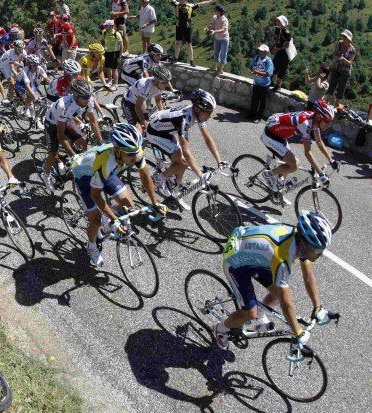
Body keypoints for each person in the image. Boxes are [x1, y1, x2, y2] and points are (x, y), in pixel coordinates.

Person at [214, 211, 335, 351]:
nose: (320, 254)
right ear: (303, 244)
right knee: (250, 313)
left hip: (254, 254)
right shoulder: (283, 258)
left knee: (279, 293)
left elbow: (308, 277)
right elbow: (286, 304)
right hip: (235, 261)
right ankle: (220, 329)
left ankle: (260, 314)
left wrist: (317, 306)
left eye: (321, 250)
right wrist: (297, 331)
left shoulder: (298, 238)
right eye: (317, 250)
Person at [71, 123, 166, 267]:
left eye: (136, 152)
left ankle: (107, 221)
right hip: (85, 176)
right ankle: (91, 247)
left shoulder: (134, 152)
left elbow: (145, 177)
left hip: (107, 173)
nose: (135, 157)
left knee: (128, 205)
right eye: (130, 154)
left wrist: (155, 202)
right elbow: (96, 195)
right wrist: (114, 219)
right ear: (117, 150)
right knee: (96, 221)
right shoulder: (106, 162)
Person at [145, 89, 225, 204]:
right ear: (197, 109)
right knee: (183, 162)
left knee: (181, 162)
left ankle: (176, 191)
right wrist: (200, 175)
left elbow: (208, 139)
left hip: (166, 129)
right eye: (208, 112)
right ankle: (159, 178)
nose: (210, 115)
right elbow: (186, 151)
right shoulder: (183, 120)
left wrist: (219, 161)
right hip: (155, 132)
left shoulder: (197, 115)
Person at [260, 100, 339, 193]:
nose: (328, 125)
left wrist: (331, 160)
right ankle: (268, 174)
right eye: (327, 121)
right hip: (271, 135)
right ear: (319, 117)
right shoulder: (305, 124)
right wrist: (321, 174)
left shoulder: (314, 119)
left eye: (330, 122)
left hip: (278, 132)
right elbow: (307, 152)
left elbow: (319, 141)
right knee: (295, 165)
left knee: (289, 165)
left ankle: (277, 190)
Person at [42, 79, 105, 191]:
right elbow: (60, 134)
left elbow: (93, 121)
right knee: (53, 153)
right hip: (52, 123)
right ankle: (46, 175)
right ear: (76, 96)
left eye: (89, 96)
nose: (88, 99)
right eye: (85, 97)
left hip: (67, 119)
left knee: (83, 144)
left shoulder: (88, 100)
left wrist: (101, 143)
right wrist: (72, 154)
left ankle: (70, 166)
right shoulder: (63, 106)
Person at [122, 64, 173, 133]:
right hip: (129, 102)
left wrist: (162, 113)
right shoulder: (145, 86)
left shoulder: (161, 85)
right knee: (138, 129)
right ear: (157, 80)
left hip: (139, 101)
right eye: (164, 82)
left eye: (168, 82)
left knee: (149, 124)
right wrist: (144, 122)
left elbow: (158, 100)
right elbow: (137, 107)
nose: (166, 85)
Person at [172, 0, 213, 66]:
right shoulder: (176, 4)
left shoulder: (191, 6)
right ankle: (175, 58)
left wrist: (211, 1)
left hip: (187, 27)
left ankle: (191, 61)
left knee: (189, 44)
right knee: (178, 43)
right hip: (179, 27)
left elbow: (202, 3)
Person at [326, 30, 356, 106]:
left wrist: (342, 59)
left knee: (341, 87)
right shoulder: (339, 44)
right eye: (343, 36)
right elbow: (334, 54)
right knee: (332, 83)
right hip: (336, 67)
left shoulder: (352, 50)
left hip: (345, 70)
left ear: (348, 39)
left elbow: (350, 63)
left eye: (344, 37)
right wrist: (336, 58)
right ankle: (327, 102)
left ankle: (337, 103)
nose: (343, 37)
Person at [248, 44, 274, 121]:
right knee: (254, 99)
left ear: (266, 52)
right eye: (259, 50)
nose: (260, 52)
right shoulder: (256, 58)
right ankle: (252, 114)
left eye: (262, 51)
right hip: (256, 82)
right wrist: (254, 68)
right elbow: (252, 65)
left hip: (264, 85)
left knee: (262, 102)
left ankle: (258, 117)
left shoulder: (268, 61)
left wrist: (256, 71)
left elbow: (268, 73)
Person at [205, 5, 229, 74]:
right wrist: (208, 28)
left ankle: (221, 69)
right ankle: (215, 67)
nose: (214, 11)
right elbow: (212, 25)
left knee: (223, 54)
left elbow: (224, 29)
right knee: (216, 53)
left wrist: (215, 31)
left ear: (219, 12)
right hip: (217, 38)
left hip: (224, 39)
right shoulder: (215, 17)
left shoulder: (224, 20)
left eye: (215, 10)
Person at [271, 15, 291, 92]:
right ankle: (273, 82)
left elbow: (287, 45)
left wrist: (278, 48)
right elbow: (276, 37)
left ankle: (278, 85)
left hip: (285, 54)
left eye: (279, 21)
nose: (277, 22)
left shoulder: (287, 33)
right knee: (275, 67)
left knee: (282, 70)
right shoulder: (278, 29)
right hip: (279, 52)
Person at [101, 20, 123, 87]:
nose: (104, 27)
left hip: (115, 53)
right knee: (108, 68)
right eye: (104, 25)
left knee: (114, 69)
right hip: (107, 52)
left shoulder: (117, 34)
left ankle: (116, 84)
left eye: (106, 26)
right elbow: (103, 41)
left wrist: (120, 56)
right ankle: (110, 81)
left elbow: (121, 45)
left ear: (111, 26)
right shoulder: (104, 33)